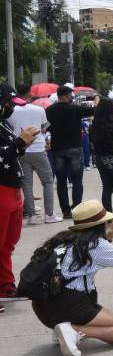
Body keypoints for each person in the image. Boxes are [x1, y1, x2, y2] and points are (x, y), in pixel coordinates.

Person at [30, 199, 113, 356]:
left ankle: (63, 328)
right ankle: (71, 329)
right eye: (107, 222)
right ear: (99, 225)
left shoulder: (64, 239)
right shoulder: (96, 245)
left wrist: (110, 234)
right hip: (68, 304)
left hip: (43, 307)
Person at [0, 84, 39, 299]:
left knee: (8, 242)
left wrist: (22, 143)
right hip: (2, 190)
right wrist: (19, 142)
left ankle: (5, 283)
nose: (10, 108)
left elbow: (10, 153)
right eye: (7, 103)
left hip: (12, 188)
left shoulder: (3, 124)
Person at [8, 84, 61, 224]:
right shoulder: (39, 110)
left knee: (27, 184)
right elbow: (44, 128)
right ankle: (49, 214)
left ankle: (31, 215)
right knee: (48, 181)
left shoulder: (11, 111)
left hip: (21, 150)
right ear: (30, 94)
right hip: (38, 149)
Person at [46, 86, 97, 218]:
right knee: (77, 181)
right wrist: (97, 100)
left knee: (61, 182)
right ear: (67, 95)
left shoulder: (49, 110)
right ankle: (77, 208)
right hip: (74, 147)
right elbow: (93, 111)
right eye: (71, 95)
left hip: (57, 149)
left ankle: (66, 211)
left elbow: (45, 127)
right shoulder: (75, 109)